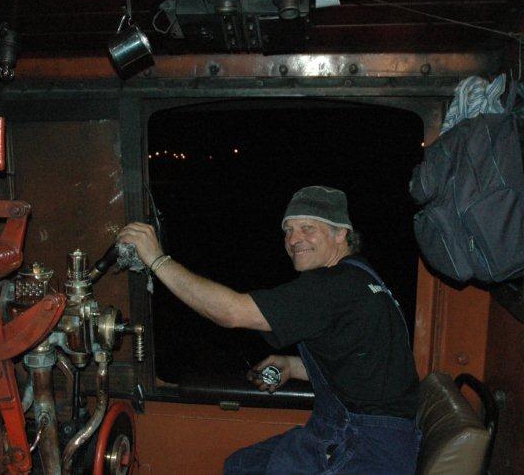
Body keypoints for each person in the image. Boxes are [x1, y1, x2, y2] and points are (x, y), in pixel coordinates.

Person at [118, 185, 420, 474]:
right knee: (241, 466)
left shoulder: (332, 286)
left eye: (308, 228)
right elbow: (362, 362)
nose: (293, 239)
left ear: (341, 233)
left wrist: (156, 259)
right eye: (288, 230)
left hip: (366, 445)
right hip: (373, 434)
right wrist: (292, 366)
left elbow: (232, 312)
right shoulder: (362, 279)